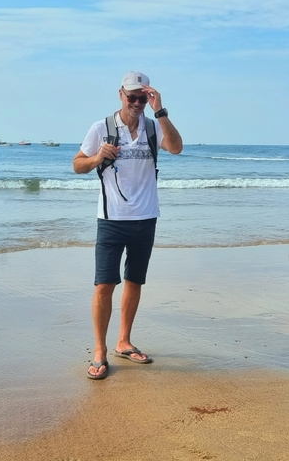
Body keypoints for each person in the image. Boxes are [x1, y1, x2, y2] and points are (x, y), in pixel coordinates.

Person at [73, 71, 183, 380]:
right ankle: (99, 351)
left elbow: (176, 147)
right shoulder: (102, 128)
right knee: (104, 284)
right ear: (120, 94)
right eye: (131, 96)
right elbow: (77, 164)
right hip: (111, 220)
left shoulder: (153, 127)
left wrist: (160, 111)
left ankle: (124, 341)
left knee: (134, 282)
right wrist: (97, 157)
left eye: (142, 97)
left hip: (146, 218)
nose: (136, 102)